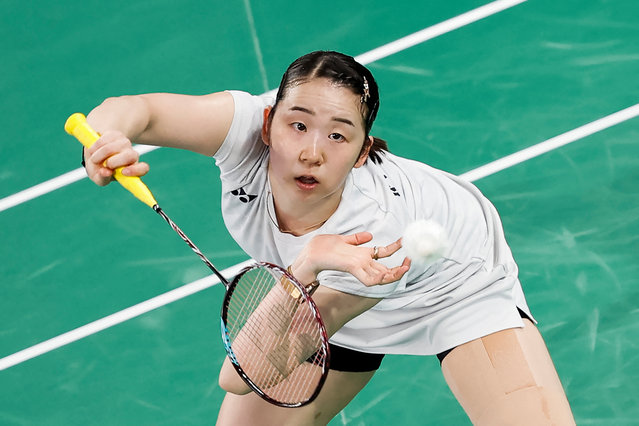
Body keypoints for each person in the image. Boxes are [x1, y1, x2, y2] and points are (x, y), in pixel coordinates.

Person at [82, 50, 575, 425]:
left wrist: (306, 265)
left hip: (452, 287)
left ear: (363, 153)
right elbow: (134, 109)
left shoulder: (378, 234)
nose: (312, 151)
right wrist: (105, 142)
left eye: (339, 135)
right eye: (298, 125)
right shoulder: (244, 129)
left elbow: (241, 373)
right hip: (326, 293)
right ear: (269, 123)